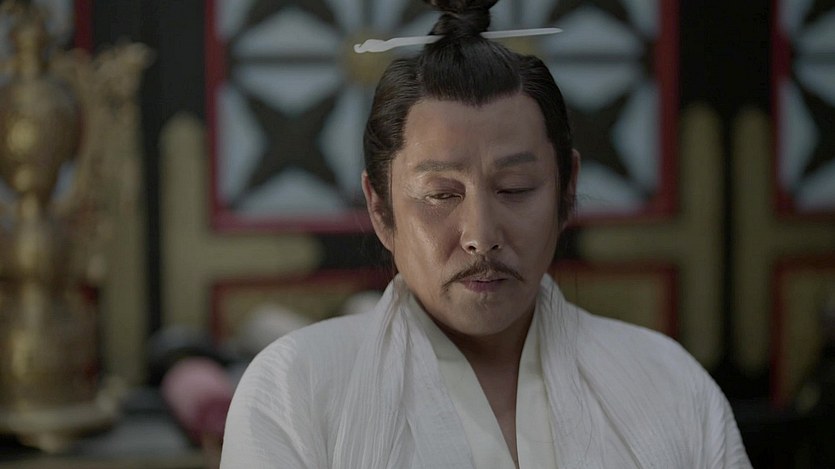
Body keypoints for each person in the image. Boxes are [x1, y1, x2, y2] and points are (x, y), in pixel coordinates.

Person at [220, 0, 752, 467]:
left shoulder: (666, 383)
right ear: (380, 209)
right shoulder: (296, 389)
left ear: (567, 190)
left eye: (515, 188)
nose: (481, 235)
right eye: (441, 194)